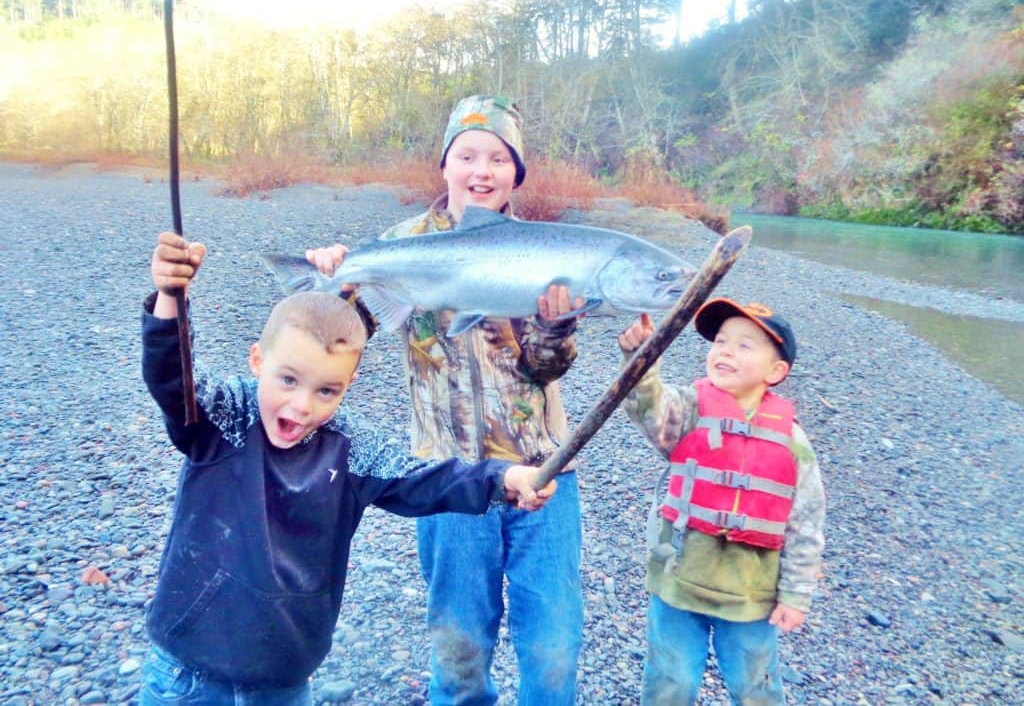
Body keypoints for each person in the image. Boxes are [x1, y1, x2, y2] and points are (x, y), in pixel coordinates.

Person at [140, 230, 556, 705]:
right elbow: (172, 376)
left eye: (326, 391)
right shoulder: (225, 417)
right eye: (288, 380)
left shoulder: (351, 448)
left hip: (285, 679)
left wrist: (504, 479)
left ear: (348, 384)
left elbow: (425, 480)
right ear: (258, 360)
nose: (300, 406)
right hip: (188, 675)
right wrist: (171, 297)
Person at [305, 95, 584, 705]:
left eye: (498, 159)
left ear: (516, 174)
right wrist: (336, 283)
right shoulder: (399, 245)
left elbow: (546, 369)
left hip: (544, 472)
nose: (481, 171)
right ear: (445, 165)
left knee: (555, 649)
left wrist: (557, 327)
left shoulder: (543, 253)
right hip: (447, 481)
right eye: (467, 155)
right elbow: (340, 338)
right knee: (459, 656)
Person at [617, 298, 826, 705]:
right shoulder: (689, 411)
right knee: (669, 680)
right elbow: (646, 405)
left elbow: (806, 524)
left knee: (755, 687)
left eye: (745, 345)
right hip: (679, 582)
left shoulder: (792, 442)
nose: (725, 350)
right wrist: (641, 356)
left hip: (751, 596)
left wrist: (796, 595)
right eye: (721, 341)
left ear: (776, 371)